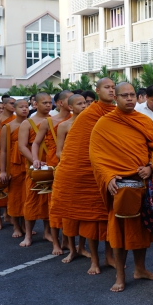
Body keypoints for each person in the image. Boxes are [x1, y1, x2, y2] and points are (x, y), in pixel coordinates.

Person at [90, 82, 153, 292]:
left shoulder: (144, 121)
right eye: (124, 95)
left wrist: (150, 167)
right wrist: (108, 177)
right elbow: (96, 156)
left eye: (132, 94)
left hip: (142, 181)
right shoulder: (104, 123)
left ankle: (140, 269)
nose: (130, 98)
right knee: (119, 232)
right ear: (116, 98)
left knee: (142, 229)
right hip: (119, 185)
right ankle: (120, 276)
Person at [55, 78, 117, 275]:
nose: (111, 90)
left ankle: (109, 256)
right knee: (91, 220)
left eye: (113, 87)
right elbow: (76, 148)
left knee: (108, 218)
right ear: (97, 90)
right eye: (107, 87)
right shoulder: (89, 114)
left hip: (109, 170)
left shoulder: (117, 112)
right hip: (88, 173)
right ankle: (95, 260)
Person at [31, 91, 73, 256]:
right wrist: (35, 159)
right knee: (54, 205)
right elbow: (36, 143)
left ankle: (68, 241)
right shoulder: (49, 122)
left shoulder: (76, 120)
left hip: (71, 166)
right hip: (55, 166)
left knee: (70, 206)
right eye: (69, 99)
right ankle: (56, 242)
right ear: (60, 103)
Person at [54, 93, 91, 263]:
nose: (84, 106)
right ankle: (72, 249)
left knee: (85, 212)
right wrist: (72, 163)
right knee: (69, 213)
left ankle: (82, 247)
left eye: (85, 103)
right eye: (80, 104)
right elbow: (59, 151)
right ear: (70, 107)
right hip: (70, 172)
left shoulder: (92, 124)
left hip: (87, 172)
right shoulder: (64, 126)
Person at [17, 92, 54, 248]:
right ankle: (28, 235)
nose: (48, 105)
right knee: (31, 200)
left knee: (49, 200)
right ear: (35, 104)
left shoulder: (54, 120)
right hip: (35, 166)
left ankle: (47, 232)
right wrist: (35, 161)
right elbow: (22, 146)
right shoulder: (27, 123)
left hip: (51, 163)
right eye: (44, 103)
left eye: (50, 103)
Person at [0, 99, 30, 239]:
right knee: (15, 197)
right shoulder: (8, 127)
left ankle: (25, 226)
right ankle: (16, 226)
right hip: (14, 165)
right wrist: (3, 171)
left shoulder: (32, 124)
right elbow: (3, 151)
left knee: (27, 196)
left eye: (27, 106)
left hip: (29, 163)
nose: (24, 109)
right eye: (21, 107)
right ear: (15, 109)